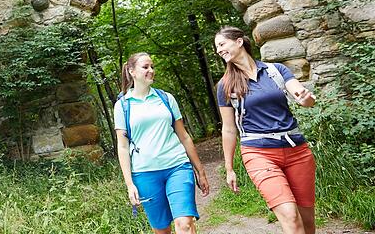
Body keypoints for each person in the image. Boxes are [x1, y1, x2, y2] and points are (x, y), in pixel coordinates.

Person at [214, 27, 317, 234]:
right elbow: (228, 129)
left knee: (307, 219)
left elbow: (302, 96)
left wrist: (307, 99)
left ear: (239, 42)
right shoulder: (225, 85)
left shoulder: (275, 70)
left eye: (222, 44)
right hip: (258, 152)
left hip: (297, 150)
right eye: (216, 48)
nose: (219, 50)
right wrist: (229, 168)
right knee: (289, 215)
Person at [114, 52, 210, 234]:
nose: (151, 70)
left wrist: (200, 171)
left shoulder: (166, 98)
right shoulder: (122, 106)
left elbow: (184, 136)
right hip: (144, 173)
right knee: (162, 230)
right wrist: (129, 184)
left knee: (184, 224)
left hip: (177, 166)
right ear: (131, 71)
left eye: (152, 66)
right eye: (145, 67)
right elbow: (123, 146)